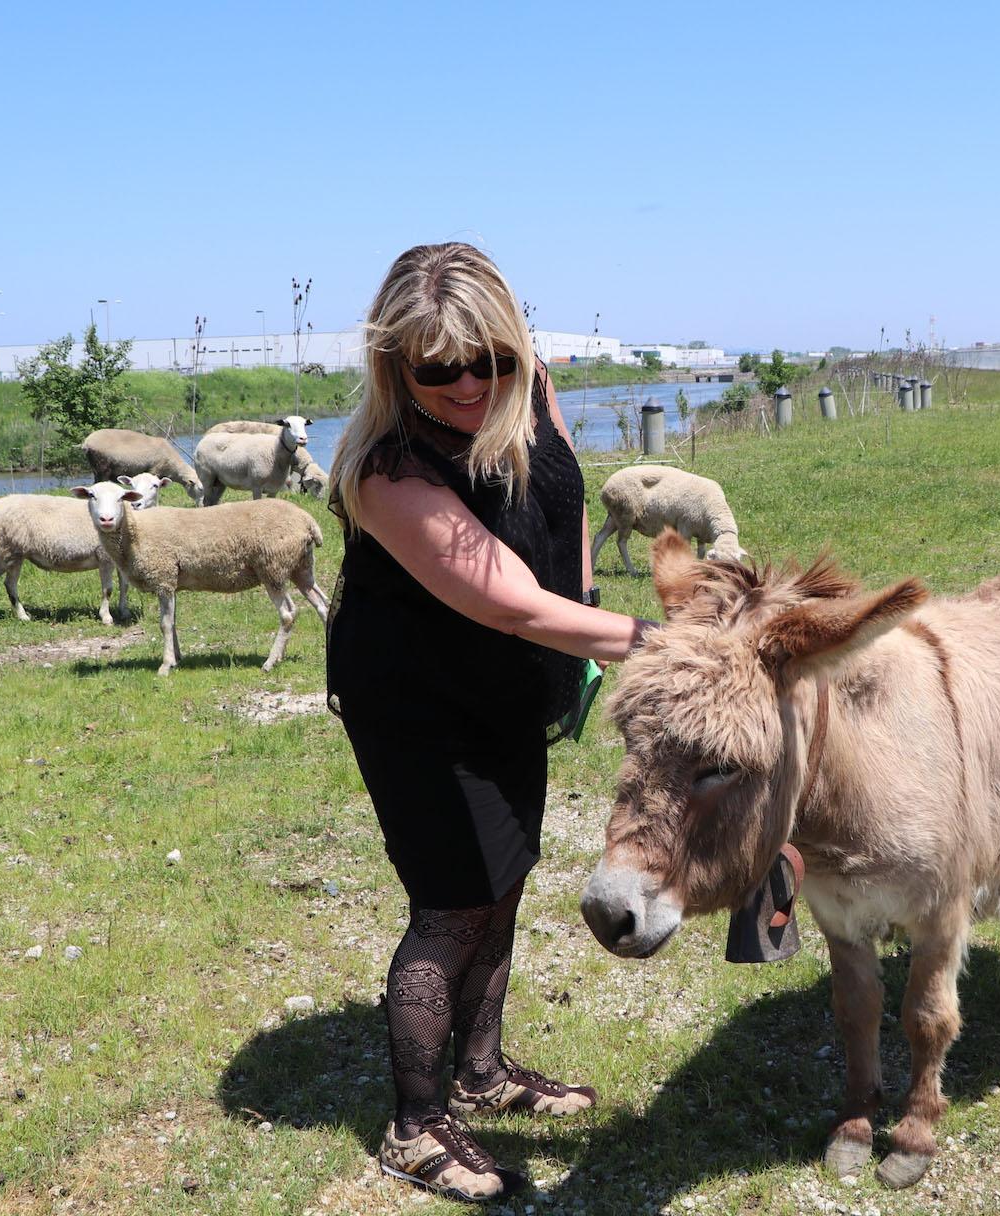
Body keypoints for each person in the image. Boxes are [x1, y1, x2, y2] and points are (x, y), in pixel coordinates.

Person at [325, 243, 652, 1203]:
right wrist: (653, 638)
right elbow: (509, 598)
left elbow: (566, 500)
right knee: (453, 903)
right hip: (419, 702)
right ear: (395, 366)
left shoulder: (530, 385)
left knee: (505, 879)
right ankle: (416, 1126)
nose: (470, 383)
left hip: (512, 681)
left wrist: (585, 635)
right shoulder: (388, 470)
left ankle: (483, 1071)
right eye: (438, 366)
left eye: (491, 359)